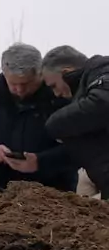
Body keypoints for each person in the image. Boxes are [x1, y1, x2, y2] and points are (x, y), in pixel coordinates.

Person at [0, 43, 74, 196]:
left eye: (26, 83)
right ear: (4, 74)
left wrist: (40, 161)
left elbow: (81, 146)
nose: (20, 89)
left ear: (40, 73)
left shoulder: (60, 95)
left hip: (56, 193)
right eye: (13, 84)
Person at [45, 46, 109, 194]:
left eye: (54, 86)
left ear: (66, 72)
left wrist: (55, 124)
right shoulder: (87, 85)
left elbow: (102, 103)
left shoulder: (103, 69)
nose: (56, 94)